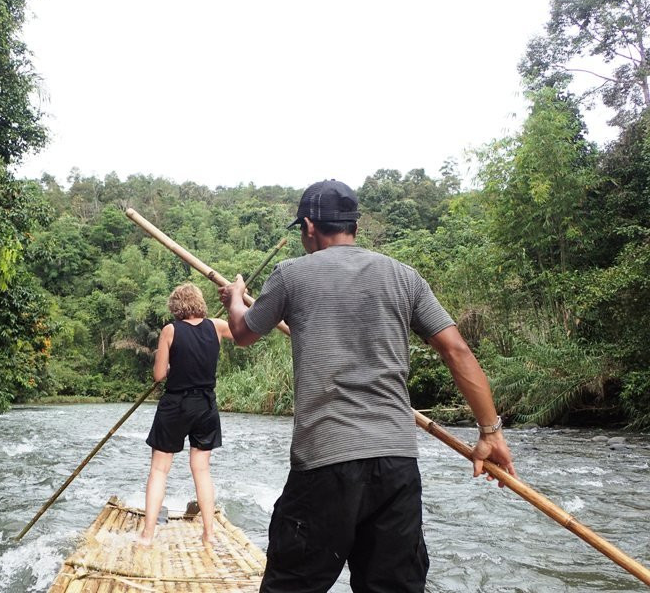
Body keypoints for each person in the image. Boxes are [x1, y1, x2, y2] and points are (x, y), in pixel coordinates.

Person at [218, 180, 516, 592]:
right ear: (353, 225)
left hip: (325, 462)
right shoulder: (404, 277)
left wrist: (236, 297)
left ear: (308, 226)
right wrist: (490, 431)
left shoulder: (291, 274)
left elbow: (242, 332)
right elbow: (457, 351)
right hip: (396, 465)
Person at [139, 283, 233, 546]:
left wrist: (170, 366)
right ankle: (209, 534)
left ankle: (147, 534)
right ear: (199, 302)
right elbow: (244, 330)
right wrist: (235, 301)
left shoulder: (170, 331)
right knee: (201, 470)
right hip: (206, 405)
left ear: (175, 307)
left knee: (159, 469)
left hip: (176, 404)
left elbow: (158, 375)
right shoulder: (217, 326)